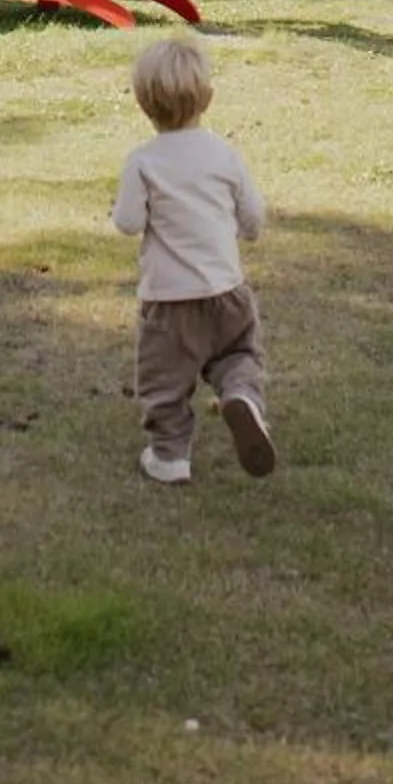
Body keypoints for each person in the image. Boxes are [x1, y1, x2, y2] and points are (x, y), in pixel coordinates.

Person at [111, 34, 274, 484]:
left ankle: (169, 456)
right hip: (226, 290)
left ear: (144, 104)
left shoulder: (143, 161)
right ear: (208, 97)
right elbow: (253, 216)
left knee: (165, 379)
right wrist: (243, 232)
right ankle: (242, 395)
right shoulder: (224, 154)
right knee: (238, 352)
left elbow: (127, 222)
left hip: (169, 302)